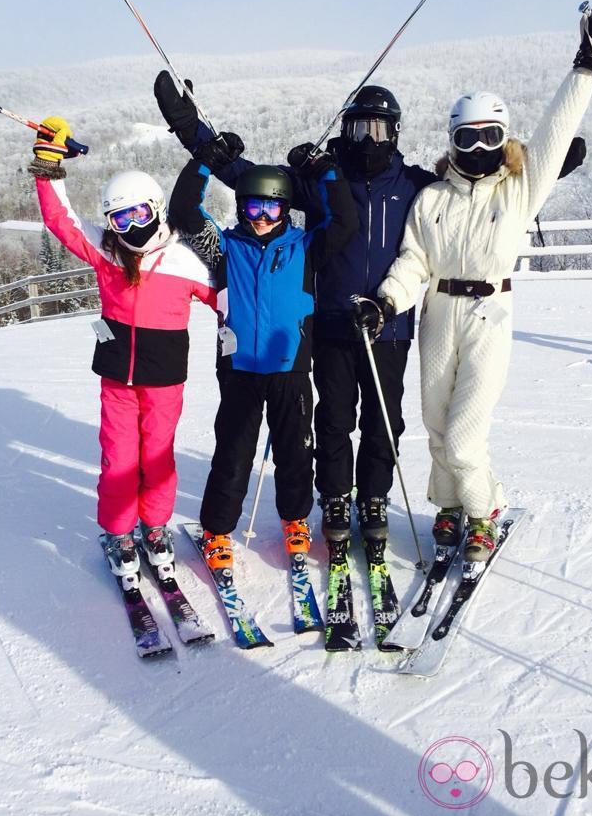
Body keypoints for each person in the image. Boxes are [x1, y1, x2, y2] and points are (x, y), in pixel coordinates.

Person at [356, 6, 592, 563]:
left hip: (490, 316)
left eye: (490, 138)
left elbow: (554, 133)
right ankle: (448, 507)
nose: (478, 150)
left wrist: (585, 68)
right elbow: (413, 262)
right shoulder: (432, 199)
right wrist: (386, 301)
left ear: (504, 140)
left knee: (466, 435)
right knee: (434, 423)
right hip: (437, 313)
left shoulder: (517, 191)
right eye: (467, 139)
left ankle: (482, 514)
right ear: (451, 142)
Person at [155, 74, 437, 545]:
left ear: (396, 133)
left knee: (383, 421)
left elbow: (471, 185)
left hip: (388, 324)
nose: (368, 140)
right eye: (358, 129)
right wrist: (190, 127)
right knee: (332, 421)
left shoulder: (414, 184)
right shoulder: (318, 182)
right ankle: (333, 497)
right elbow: (243, 177)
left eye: (379, 130)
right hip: (327, 324)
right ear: (343, 131)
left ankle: (372, 497)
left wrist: (529, 169)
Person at [28, 116, 219, 577]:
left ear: (155, 209)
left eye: (138, 214)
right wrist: (49, 165)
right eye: (119, 218)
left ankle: (154, 527)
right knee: (118, 460)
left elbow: (231, 302)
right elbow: (62, 220)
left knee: (157, 458)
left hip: (164, 383)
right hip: (116, 378)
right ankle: (119, 533)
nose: (130, 227)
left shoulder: (184, 261)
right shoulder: (108, 253)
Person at [160, 125, 357, 569]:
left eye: (271, 206)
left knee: (295, 453)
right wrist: (205, 160)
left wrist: (326, 170)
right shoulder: (224, 248)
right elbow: (185, 212)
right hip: (240, 370)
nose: (262, 216)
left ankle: (295, 520)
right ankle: (216, 529)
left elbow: (345, 221)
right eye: (253, 205)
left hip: (291, 369)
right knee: (232, 454)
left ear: (286, 208)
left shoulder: (306, 247)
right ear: (241, 206)